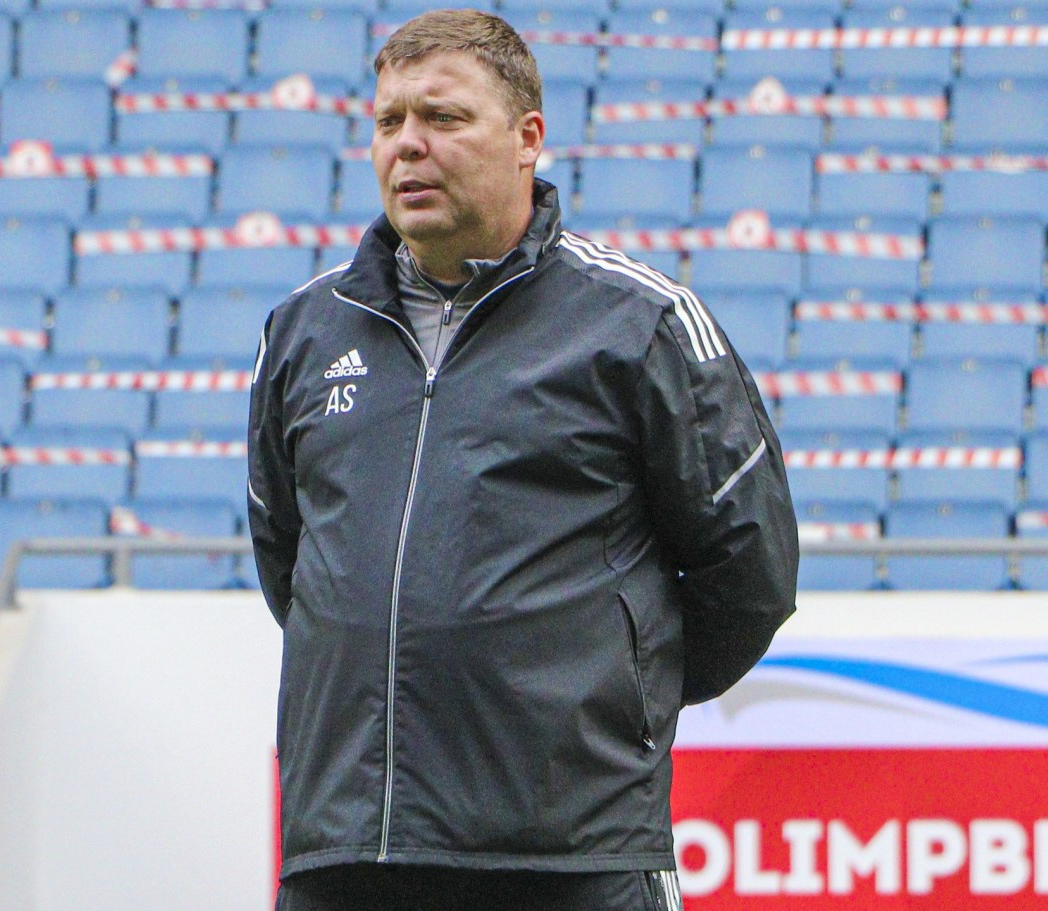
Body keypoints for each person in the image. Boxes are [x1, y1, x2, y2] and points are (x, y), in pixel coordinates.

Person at [247, 10, 799, 910]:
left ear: (527, 139)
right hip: (346, 850)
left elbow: (751, 575)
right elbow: (291, 564)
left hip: (570, 856)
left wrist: (602, 706)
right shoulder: (303, 332)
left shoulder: (640, 322)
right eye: (389, 121)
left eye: (444, 117)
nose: (409, 145)